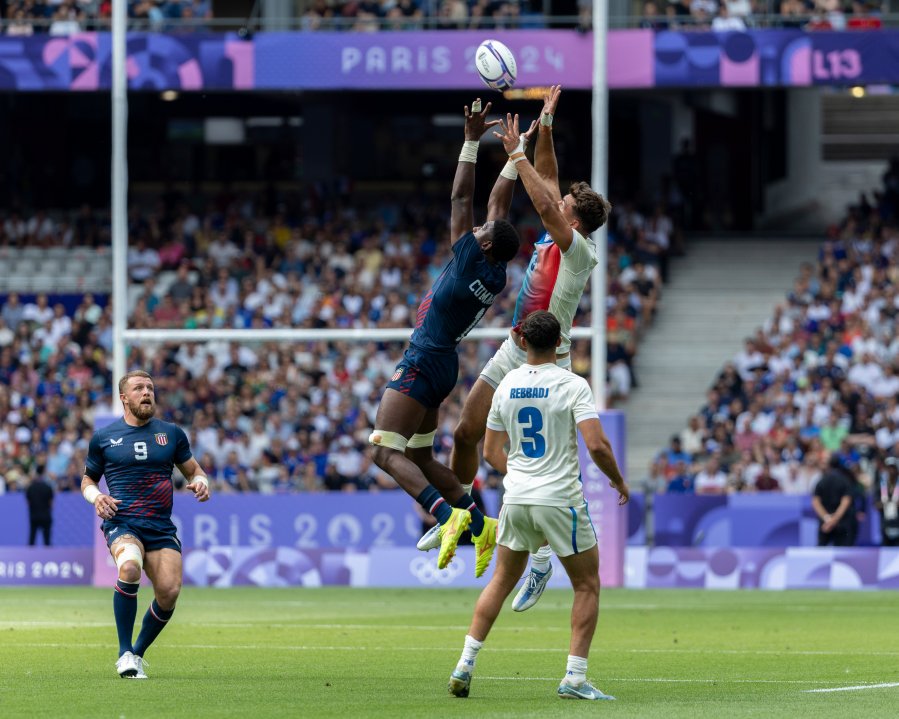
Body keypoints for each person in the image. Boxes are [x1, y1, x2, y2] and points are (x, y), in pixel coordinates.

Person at [418, 85, 612, 613]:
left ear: (573, 220)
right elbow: (550, 184)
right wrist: (545, 124)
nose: (555, 202)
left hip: (551, 360)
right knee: (465, 435)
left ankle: (543, 555)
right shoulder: (559, 230)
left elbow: (546, 199)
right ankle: (461, 514)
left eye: (564, 206)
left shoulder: (579, 250)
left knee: (530, 464)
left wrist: (516, 155)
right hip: (514, 348)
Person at [368, 98, 522, 578]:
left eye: (480, 233)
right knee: (417, 455)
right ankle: (479, 521)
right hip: (444, 365)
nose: (473, 230)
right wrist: (516, 158)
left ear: (487, 245)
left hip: (423, 358)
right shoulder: (493, 272)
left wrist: (471, 142)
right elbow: (496, 209)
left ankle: (445, 515)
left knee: (382, 450)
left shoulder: (469, 258)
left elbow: (461, 202)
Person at [448, 310, 629, 701]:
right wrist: (617, 479)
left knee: (500, 580)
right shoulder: (572, 384)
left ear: (523, 342)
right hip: (560, 498)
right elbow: (596, 445)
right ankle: (575, 678)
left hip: (516, 498)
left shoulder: (507, 384)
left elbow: (492, 452)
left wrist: (523, 475)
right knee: (587, 584)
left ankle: (464, 664)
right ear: (560, 343)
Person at [81, 370, 211, 679]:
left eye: (150, 387)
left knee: (169, 591)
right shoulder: (104, 437)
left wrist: (202, 481)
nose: (147, 392)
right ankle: (124, 651)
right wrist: (97, 497)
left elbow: (193, 470)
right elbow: (88, 479)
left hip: (160, 526)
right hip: (123, 520)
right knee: (129, 567)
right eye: (139, 388)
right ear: (124, 397)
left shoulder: (171, 433)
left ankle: (137, 653)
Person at [811, 454, 854, 547]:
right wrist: (834, 520)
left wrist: (827, 519)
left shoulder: (821, 481)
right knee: (842, 555)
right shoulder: (845, 481)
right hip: (840, 522)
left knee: (821, 553)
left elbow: (816, 502)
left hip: (825, 523)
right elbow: (845, 502)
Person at [874, 457, 899, 547]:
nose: (891, 470)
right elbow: (875, 504)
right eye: (889, 468)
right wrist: (886, 504)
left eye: (893, 468)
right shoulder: (881, 485)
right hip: (885, 524)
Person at [25, 473, 54, 546]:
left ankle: (29, 556)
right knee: (47, 540)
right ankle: (49, 556)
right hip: (46, 516)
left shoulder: (30, 488)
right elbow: (51, 504)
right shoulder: (48, 487)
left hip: (34, 516)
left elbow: (28, 503)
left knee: (32, 538)